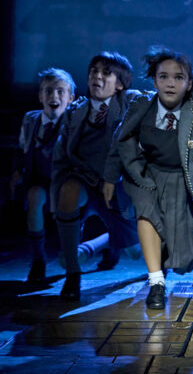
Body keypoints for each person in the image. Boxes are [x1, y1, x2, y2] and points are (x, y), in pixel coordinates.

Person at [104, 47, 193, 310]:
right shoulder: (142, 105)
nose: (170, 83)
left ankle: (161, 264)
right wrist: (110, 178)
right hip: (145, 176)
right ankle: (156, 284)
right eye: (163, 77)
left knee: (182, 258)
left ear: (189, 84)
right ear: (154, 81)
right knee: (147, 214)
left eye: (178, 77)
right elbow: (120, 140)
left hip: (180, 181)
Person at [52, 52, 143, 300]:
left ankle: (105, 246)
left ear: (120, 84)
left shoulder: (130, 102)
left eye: (106, 73)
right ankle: (73, 274)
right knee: (69, 191)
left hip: (118, 190)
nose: (97, 76)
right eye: (94, 71)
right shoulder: (75, 112)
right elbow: (61, 158)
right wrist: (56, 197)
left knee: (136, 251)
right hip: (85, 181)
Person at [10, 68, 75, 283]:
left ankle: (102, 249)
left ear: (70, 98)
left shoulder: (75, 121)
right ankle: (38, 258)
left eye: (60, 91)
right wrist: (17, 171)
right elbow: (21, 148)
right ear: (40, 96)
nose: (54, 96)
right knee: (34, 197)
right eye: (48, 91)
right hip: (41, 178)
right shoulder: (30, 120)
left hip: (68, 180)